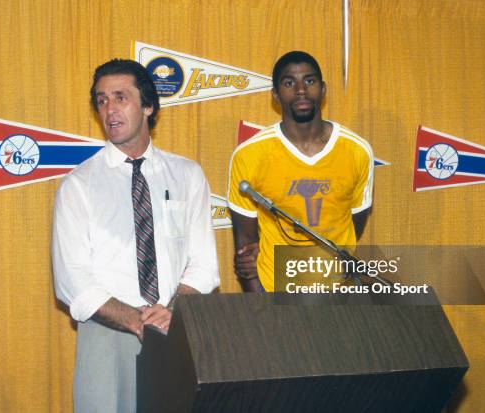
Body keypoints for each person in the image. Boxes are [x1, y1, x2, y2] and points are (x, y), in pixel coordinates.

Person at [52, 58, 220, 413]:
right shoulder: (79, 185)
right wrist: (135, 319)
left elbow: (204, 265)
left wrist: (169, 313)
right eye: (101, 100)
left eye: (120, 97)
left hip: (176, 330)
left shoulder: (187, 175)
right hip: (107, 334)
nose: (109, 109)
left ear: (148, 106)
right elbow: (72, 282)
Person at [227, 51, 373, 292]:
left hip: (339, 290)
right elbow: (245, 245)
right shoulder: (250, 154)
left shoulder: (357, 150)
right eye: (288, 83)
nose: (301, 90)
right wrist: (262, 307)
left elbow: (354, 224)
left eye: (309, 81)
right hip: (275, 290)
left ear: (323, 89)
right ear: (275, 94)